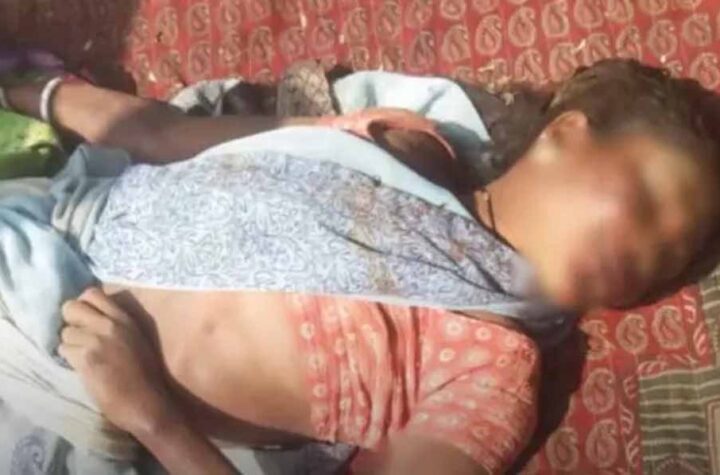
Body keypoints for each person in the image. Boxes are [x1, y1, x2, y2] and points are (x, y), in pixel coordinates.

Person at [2, 58, 719, 475]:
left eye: (667, 261)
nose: (647, 253)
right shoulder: (400, 144)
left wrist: (152, 417)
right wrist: (29, 90)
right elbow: (167, 136)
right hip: (44, 218)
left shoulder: (492, 374)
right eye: (649, 201)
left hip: (54, 374)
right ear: (565, 135)